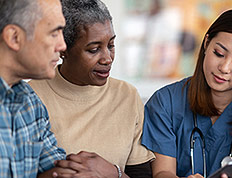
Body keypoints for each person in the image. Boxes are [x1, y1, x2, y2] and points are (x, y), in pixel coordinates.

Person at [141, 8, 232, 178]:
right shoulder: (165, 103)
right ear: (206, 43)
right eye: (219, 53)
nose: (224, 68)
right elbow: (163, 172)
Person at [29, 0, 155, 177]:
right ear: (63, 49)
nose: (107, 59)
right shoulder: (31, 97)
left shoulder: (127, 95)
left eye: (111, 45)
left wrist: (113, 173)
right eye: (94, 49)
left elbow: (141, 175)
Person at [0, 0, 74, 177]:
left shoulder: (30, 101)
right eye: (54, 33)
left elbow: (54, 169)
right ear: (14, 37)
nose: (63, 46)